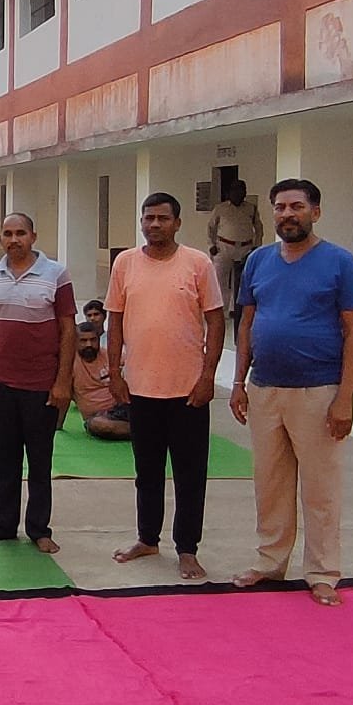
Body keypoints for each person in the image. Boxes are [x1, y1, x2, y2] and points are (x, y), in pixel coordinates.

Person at [229, 179, 353, 607]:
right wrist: (238, 382)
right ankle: (270, 561)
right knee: (270, 483)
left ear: (315, 212)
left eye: (296, 207)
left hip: (318, 391)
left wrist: (345, 397)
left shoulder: (340, 263)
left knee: (320, 488)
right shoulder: (258, 261)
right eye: (280, 207)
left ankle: (323, 572)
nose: (287, 214)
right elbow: (246, 324)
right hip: (265, 388)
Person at [107, 192, 225, 580]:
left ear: (177, 223)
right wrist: (115, 373)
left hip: (188, 391)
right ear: (141, 222)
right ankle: (147, 538)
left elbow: (215, 321)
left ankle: (187, 548)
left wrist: (207, 376)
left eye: (162, 218)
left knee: (190, 474)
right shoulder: (125, 263)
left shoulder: (197, 263)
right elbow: (115, 320)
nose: (155, 224)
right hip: (141, 388)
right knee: (147, 471)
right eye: (149, 218)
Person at [0, 213, 75, 555]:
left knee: (40, 461)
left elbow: (68, 330)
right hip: (1, 381)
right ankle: (3, 526)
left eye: (20, 233)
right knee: (4, 460)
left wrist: (62, 382)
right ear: (0, 238)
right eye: (7, 234)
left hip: (41, 384)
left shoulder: (56, 274)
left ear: (33, 236)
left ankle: (39, 529)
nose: (14, 239)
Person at [207, 179, 263, 320]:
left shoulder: (251, 208)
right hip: (224, 247)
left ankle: (235, 310)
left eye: (241, 190)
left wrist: (256, 246)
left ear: (245, 192)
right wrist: (211, 245)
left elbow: (259, 228)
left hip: (245, 248)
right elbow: (211, 227)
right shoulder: (220, 208)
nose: (238, 193)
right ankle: (221, 311)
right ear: (229, 193)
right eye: (235, 190)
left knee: (242, 281)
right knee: (220, 281)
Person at [66, 321, 130, 440]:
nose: (89, 344)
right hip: (99, 418)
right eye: (83, 341)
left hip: (124, 408)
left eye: (93, 340)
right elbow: (64, 396)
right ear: (75, 341)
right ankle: (145, 431)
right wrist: (58, 427)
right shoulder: (69, 363)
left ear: (99, 339)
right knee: (99, 425)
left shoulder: (111, 356)